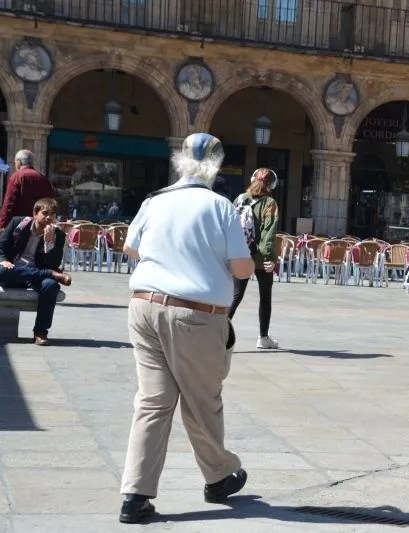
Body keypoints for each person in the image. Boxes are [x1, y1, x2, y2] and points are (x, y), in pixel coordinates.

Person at [118, 133, 254, 524]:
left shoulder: (154, 200)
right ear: (215, 165)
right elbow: (242, 267)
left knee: (153, 401)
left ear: (180, 161)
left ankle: (135, 493)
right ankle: (219, 476)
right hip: (195, 314)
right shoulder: (220, 206)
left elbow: (130, 247)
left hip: (144, 306)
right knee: (202, 400)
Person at [0, 197, 71, 345]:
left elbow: (54, 262)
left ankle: (40, 332)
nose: (48, 217)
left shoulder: (58, 235)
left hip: (37, 272)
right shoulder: (18, 223)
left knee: (50, 285)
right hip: (14, 269)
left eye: (52, 214)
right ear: (35, 213)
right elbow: (1, 244)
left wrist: (48, 242)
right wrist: (3, 260)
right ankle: (50, 275)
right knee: (3, 272)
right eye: (45, 213)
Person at [229, 168, 280, 349]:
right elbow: (268, 232)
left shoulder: (240, 199)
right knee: (265, 296)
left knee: (236, 295)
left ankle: (218, 332)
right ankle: (263, 337)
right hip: (259, 257)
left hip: (241, 254)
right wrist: (269, 257)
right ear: (272, 185)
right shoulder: (269, 203)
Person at [0, 149, 56, 230]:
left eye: (15, 162)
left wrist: (3, 225)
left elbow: (9, 204)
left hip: (19, 226)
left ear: (19, 162)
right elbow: (50, 202)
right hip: (38, 225)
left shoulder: (17, 176)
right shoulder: (43, 179)